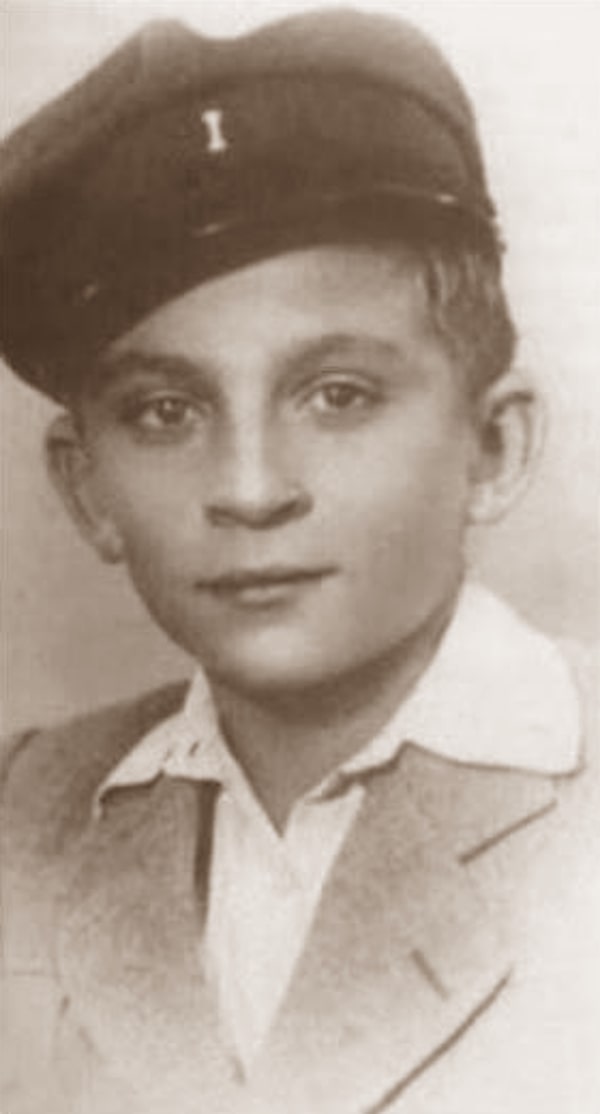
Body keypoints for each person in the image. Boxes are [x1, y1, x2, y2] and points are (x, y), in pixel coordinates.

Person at [0, 9, 597, 1114]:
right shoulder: (20, 815)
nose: (250, 487)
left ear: (494, 447)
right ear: (88, 491)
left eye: (338, 396)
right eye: (167, 410)